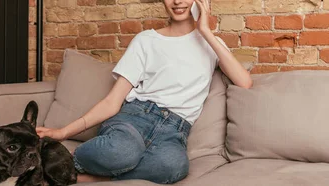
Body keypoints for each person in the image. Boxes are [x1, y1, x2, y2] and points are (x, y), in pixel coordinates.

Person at [35, 0, 252, 184]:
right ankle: (66, 161)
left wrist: (205, 31)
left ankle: (87, 177)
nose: (177, 1)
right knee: (123, 151)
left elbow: (244, 82)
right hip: (135, 118)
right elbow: (112, 101)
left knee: (174, 167)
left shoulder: (213, 45)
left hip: (174, 132)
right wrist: (63, 133)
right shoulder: (146, 41)